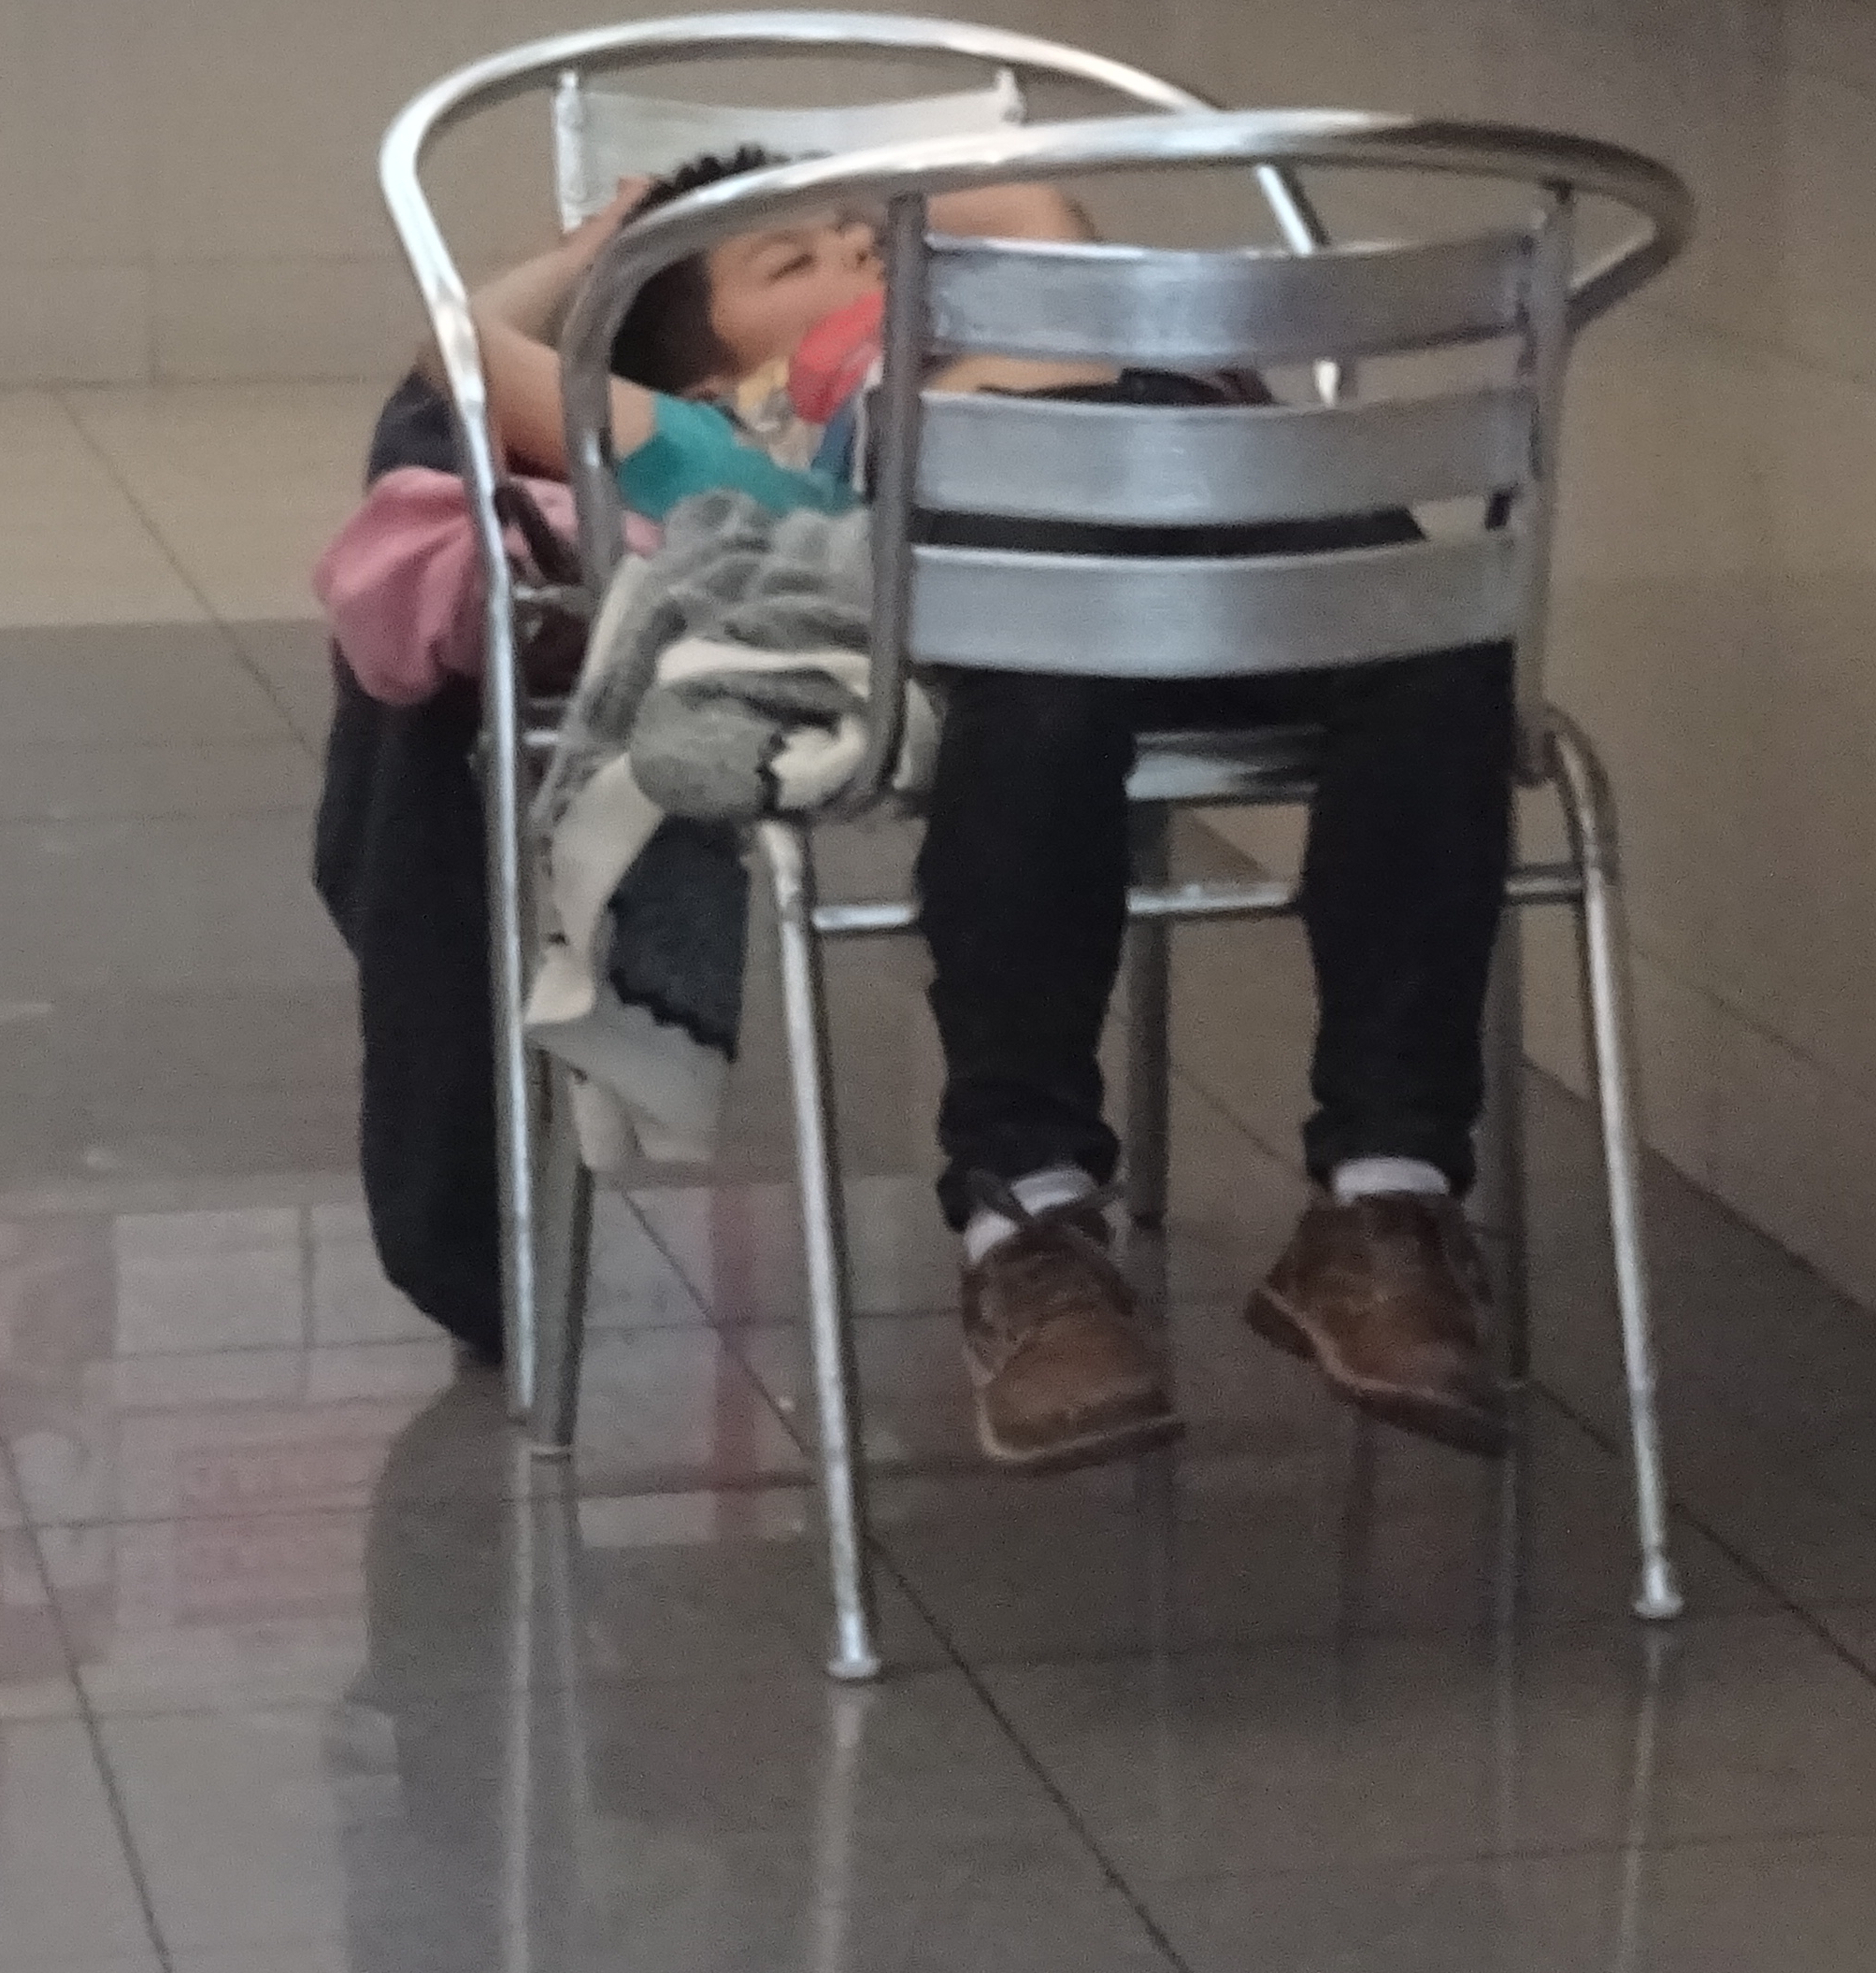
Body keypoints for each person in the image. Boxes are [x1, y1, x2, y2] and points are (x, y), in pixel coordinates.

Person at [439, 151, 1522, 1469]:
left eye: (862, 239)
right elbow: (456, 347)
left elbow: (1027, 209)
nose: (859, 257)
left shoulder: (1035, 298)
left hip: (1254, 519)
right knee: (1032, 696)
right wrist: (605, 253)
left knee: (1445, 648)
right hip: (1030, 590)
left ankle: (1386, 1199)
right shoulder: (736, 434)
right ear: (715, 380)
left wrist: (855, 196)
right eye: (791, 262)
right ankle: (1032, 1223)